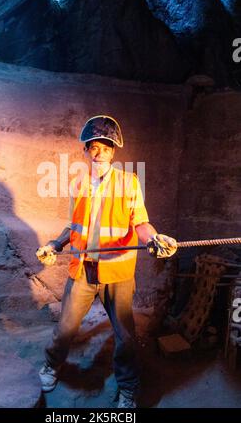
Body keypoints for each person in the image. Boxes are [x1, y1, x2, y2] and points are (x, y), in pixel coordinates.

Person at [36, 115, 177, 408]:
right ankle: (51, 365)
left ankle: (128, 388)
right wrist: (54, 244)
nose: (99, 152)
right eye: (93, 147)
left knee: (125, 336)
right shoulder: (78, 185)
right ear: (85, 151)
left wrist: (154, 239)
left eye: (105, 147)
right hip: (83, 270)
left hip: (117, 271)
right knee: (64, 329)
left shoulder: (129, 182)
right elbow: (73, 226)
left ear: (114, 151)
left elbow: (141, 222)